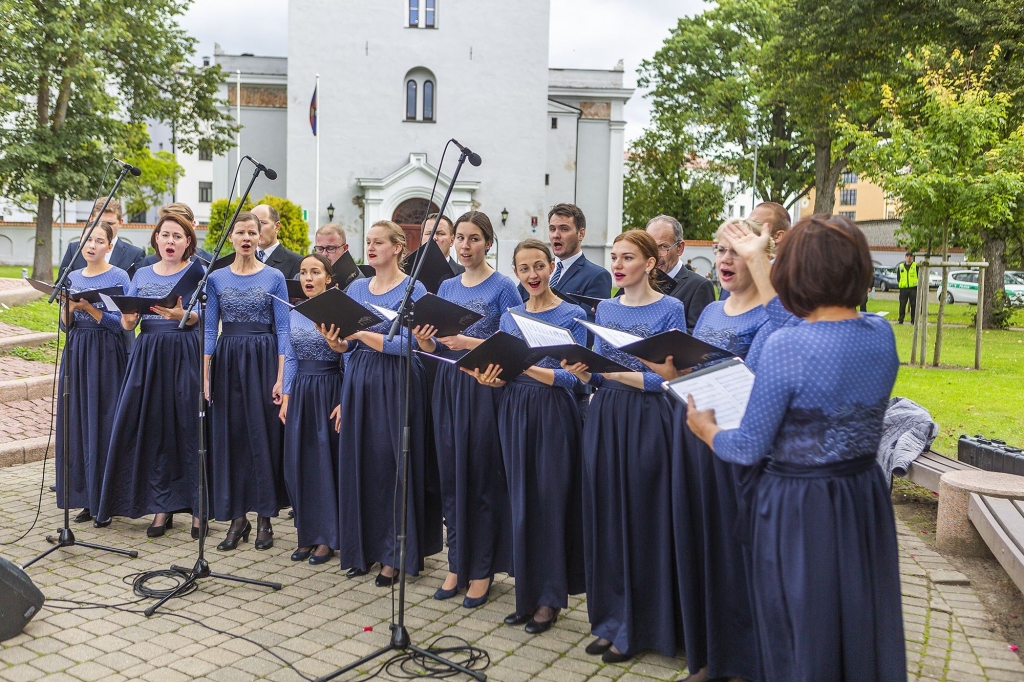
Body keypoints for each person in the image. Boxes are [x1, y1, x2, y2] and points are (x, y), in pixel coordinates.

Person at [686, 215, 904, 682]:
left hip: (801, 508)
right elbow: (801, 327)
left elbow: (747, 447)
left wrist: (706, 430)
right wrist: (756, 258)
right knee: (855, 620)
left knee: (798, 629)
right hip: (861, 497)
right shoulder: (879, 333)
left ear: (796, 271)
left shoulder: (788, 346)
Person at [646, 218, 774, 682]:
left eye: (736, 251)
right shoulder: (713, 312)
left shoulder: (770, 316)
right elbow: (694, 372)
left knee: (733, 554)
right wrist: (671, 374)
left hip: (738, 450)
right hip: (695, 439)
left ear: (759, 258)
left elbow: (766, 387)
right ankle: (705, 655)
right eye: (720, 251)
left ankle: (743, 662)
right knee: (698, 546)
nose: (725, 259)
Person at [563, 230, 686, 664]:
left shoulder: (670, 308)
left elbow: (667, 378)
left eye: (627, 257)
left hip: (649, 418)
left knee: (642, 518)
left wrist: (612, 375)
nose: (616, 264)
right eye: (614, 257)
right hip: (606, 415)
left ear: (650, 263)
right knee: (607, 517)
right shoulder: (607, 307)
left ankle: (643, 626)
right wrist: (582, 371)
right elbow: (596, 372)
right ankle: (610, 620)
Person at [466, 239, 587, 634]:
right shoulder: (510, 316)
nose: (532, 275)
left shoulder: (573, 314)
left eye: (539, 266)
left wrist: (528, 367)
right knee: (519, 501)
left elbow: (576, 378)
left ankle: (550, 599)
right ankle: (526, 595)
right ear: (516, 273)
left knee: (549, 502)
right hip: (513, 409)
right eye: (524, 268)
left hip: (553, 411)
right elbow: (502, 372)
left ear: (551, 267)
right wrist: (490, 378)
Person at [337, 220, 442, 585]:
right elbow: (347, 343)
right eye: (368, 241)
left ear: (398, 247)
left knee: (392, 465)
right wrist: (338, 342)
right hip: (360, 378)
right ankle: (361, 549)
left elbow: (410, 345)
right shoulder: (355, 287)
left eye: (378, 242)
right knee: (360, 462)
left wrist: (361, 335)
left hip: (397, 379)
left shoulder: (415, 288)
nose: (370, 247)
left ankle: (393, 555)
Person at [425, 211, 520, 609]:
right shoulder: (447, 285)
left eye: (474, 238)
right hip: (448, 384)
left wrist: (468, 343)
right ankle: (456, 564)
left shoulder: (504, 287)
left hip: (485, 387)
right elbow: (435, 345)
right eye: (460, 238)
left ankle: (482, 569)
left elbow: (515, 344)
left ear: (488, 243)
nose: (465, 245)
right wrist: (426, 339)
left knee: (481, 478)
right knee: (451, 476)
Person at [98, 214, 205, 537]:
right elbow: (128, 322)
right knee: (155, 428)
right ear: (156, 239)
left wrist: (184, 316)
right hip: (149, 354)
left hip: (185, 351)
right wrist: (128, 318)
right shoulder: (142, 272)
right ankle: (161, 507)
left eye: (178, 236)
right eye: (165, 235)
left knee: (189, 429)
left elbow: (206, 316)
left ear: (188, 242)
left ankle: (199, 509)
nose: (170, 241)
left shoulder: (198, 272)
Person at [204, 211, 291, 551]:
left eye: (252, 232)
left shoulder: (275, 277)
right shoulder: (216, 278)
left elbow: (283, 329)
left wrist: (282, 377)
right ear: (231, 237)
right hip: (227, 360)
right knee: (232, 437)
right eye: (240, 232)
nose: (246, 238)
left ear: (259, 236)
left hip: (264, 358)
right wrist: (206, 374)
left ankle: (265, 518)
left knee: (263, 436)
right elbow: (209, 329)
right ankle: (237, 519)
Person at [55, 222, 131, 527]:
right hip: (77, 352)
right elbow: (64, 326)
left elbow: (122, 324)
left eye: (99, 241)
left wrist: (89, 307)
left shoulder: (119, 276)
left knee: (105, 422)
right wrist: (70, 308)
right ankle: (85, 497)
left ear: (109, 246)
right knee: (79, 422)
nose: (91, 245)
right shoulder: (72, 276)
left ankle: (107, 500)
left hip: (107, 353)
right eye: (88, 240)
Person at [280, 254, 344, 565]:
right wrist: (287, 395)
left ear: (328, 278)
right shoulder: (295, 312)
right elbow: (291, 356)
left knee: (325, 463)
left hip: (330, 389)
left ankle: (327, 538)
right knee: (300, 462)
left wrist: (346, 399)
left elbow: (350, 357)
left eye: (315, 272)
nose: (307, 277)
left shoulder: (338, 309)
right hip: (302, 390)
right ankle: (306, 533)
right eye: (303, 272)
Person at [645, 214, 715, 333]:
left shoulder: (699, 286)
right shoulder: (640, 282)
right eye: (650, 247)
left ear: (680, 248)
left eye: (662, 247)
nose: (655, 255)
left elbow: (699, 335)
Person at [718, 202, 790, 304]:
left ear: (778, 236)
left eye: (757, 224)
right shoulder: (732, 276)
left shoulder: (794, 278)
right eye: (721, 250)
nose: (746, 228)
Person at [58, 198, 146, 277]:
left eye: (110, 223)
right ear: (91, 220)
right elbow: (61, 284)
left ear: (120, 223)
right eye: (99, 222)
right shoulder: (74, 249)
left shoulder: (135, 255)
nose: (104, 228)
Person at [139, 203, 214, 265]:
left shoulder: (210, 262)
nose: (170, 240)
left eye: (181, 223)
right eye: (165, 234)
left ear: (193, 225)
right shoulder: (147, 264)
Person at [252, 204, 303, 279]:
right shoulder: (241, 258)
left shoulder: (295, 262)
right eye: (252, 224)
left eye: (262, 223)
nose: (256, 228)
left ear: (277, 226)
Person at [896, 251, 918, 324]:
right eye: (907, 256)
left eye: (910, 257)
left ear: (912, 258)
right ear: (905, 257)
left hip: (913, 288)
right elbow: (898, 277)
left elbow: (918, 276)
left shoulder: (915, 266)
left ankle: (913, 320)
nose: (909, 258)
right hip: (903, 289)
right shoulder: (901, 266)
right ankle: (901, 319)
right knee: (902, 304)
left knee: (913, 305)